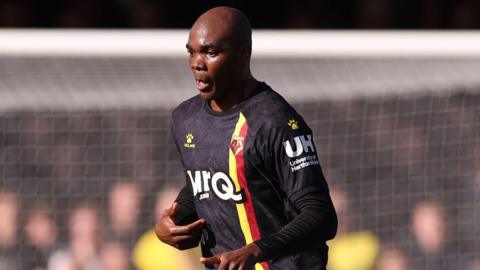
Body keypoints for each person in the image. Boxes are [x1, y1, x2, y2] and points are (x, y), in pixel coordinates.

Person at [155, 6, 337, 270]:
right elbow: (205, 182)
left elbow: (321, 216)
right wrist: (175, 218)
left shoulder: (275, 121)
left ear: (243, 55)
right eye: (191, 52)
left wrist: (255, 252)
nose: (197, 62)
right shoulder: (185, 118)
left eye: (211, 52)